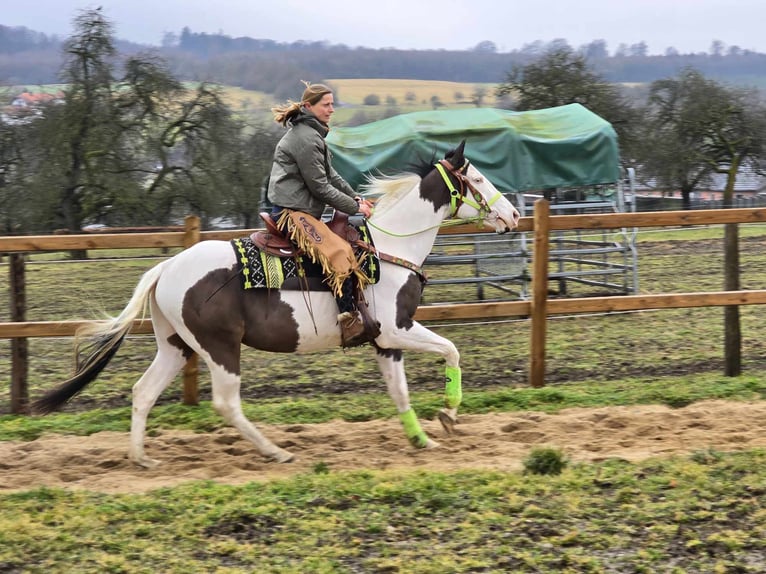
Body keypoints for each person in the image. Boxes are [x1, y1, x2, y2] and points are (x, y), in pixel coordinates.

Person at [267, 82, 378, 347]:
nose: (331, 109)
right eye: (325, 105)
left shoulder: (312, 134)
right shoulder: (306, 139)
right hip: (291, 213)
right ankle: (349, 322)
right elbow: (320, 186)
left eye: (332, 104)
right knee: (340, 253)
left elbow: (331, 176)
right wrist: (354, 208)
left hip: (302, 209)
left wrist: (355, 197)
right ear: (308, 107)